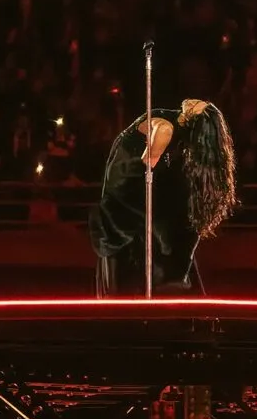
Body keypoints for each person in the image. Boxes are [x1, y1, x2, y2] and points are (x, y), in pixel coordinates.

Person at [89, 98, 237, 296]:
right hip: (125, 176)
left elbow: (146, 166)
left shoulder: (166, 129)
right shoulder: (174, 124)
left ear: (195, 123)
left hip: (129, 180)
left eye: (195, 107)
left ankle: (160, 279)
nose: (193, 101)